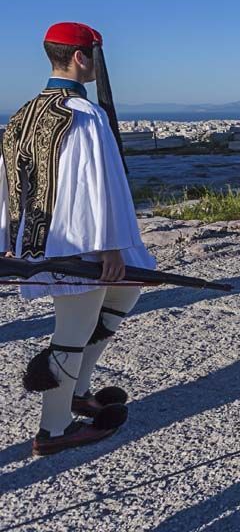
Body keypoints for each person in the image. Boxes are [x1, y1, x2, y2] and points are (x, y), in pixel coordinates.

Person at [1, 22, 152, 455]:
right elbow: (96, 184)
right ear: (81, 57)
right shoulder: (84, 114)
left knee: (125, 292)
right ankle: (54, 430)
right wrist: (109, 246)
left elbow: (5, 180)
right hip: (78, 243)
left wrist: (7, 237)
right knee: (72, 331)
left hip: (39, 240)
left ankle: (78, 390)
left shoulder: (23, 113)